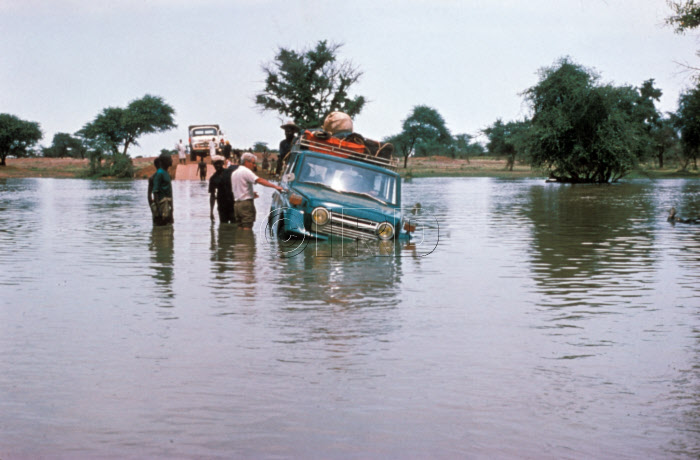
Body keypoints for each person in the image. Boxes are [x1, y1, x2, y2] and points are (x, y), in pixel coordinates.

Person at [231, 152, 284, 230]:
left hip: (236, 205)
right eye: (253, 163)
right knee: (247, 227)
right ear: (246, 162)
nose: (254, 165)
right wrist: (275, 186)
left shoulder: (235, 173)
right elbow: (259, 180)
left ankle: (240, 241)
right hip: (246, 204)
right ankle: (247, 241)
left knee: (240, 226)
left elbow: (238, 188)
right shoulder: (246, 171)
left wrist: (250, 193)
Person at [209, 155, 237, 224]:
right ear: (213, 165)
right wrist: (211, 211)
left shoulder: (230, 172)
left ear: (222, 163)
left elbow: (238, 185)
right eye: (216, 164)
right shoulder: (213, 178)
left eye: (219, 163)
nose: (218, 165)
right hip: (222, 206)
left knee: (235, 224)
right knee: (223, 225)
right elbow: (212, 196)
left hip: (233, 204)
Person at [152, 153, 174, 226]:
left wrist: (172, 210)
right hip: (162, 206)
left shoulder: (166, 173)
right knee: (162, 228)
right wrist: (159, 211)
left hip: (167, 205)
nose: (172, 161)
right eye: (170, 159)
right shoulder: (159, 173)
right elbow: (155, 192)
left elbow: (170, 192)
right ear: (165, 161)